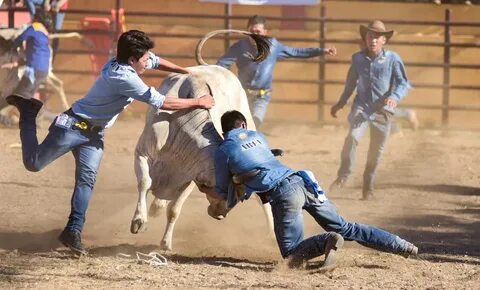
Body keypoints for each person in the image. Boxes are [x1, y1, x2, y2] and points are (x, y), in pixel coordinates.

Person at [6, 30, 215, 256]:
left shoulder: (126, 60)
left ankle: (73, 230)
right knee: (34, 163)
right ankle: (29, 113)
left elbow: (157, 61)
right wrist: (198, 101)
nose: (149, 61)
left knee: (86, 180)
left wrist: (185, 71)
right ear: (132, 60)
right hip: (72, 126)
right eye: (144, 59)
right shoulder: (123, 77)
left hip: (94, 134)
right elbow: (162, 102)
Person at [200, 110, 418, 269]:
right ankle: (402, 245)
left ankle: (327, 240)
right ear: (244, 126)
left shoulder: (223, 150)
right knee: (347, 227)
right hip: (304, 181)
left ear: (225, 130)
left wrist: (203, 189)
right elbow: (259, 159)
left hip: (283, 193)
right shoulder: (258, 137)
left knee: (291, 256)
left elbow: (222, 191)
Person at [329, 20, 410, 200]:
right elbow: (350, 84)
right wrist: (340, 103)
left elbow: (404, 83)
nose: (373, 39)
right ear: (365, 38)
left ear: (384, 41)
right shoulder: (357, 59)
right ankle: (344, 174)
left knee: (376, 150)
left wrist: (395, 97)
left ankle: (368, 183)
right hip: (362, 108)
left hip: (383, 111)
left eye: (377, 36)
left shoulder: (393, 59)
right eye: (369, 36)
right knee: (352, 137)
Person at [217, 15, 336, 128]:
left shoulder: (273, 45)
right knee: (237, 124)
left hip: (262, 97)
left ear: (265, 32)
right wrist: (225, 81)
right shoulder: (239, 46)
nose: (254, 35)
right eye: (251, 32)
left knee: (255, 122)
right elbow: (222, 64)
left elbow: (296, 52)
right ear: (247, 32)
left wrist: (322, 51)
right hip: (242, 95)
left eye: (258, 32)